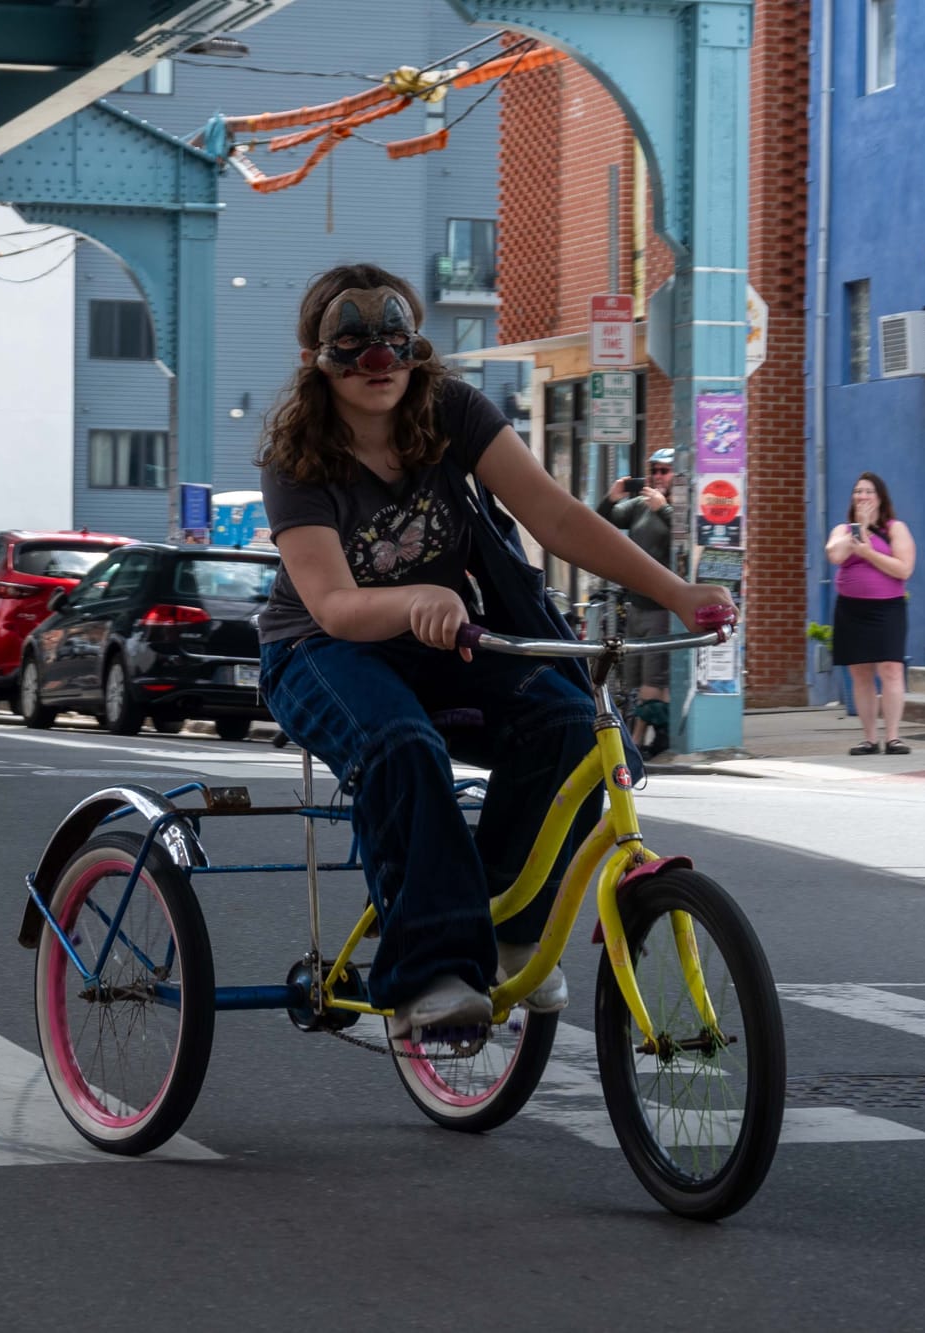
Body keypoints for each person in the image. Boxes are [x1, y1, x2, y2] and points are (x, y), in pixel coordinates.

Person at [257, 264, 734, 1037]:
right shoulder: (298, 458)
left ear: (416, 346)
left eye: (394, 337)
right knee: (401, 743)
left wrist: (675, 590)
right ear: (319, 355)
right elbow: (337, 606)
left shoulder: (451, 411)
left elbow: (557, 517)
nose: (378, 360)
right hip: (319, 650)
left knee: (571, 726)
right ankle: (428, 973)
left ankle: (511, 929)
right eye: (354, 340)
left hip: (444, 634)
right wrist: (414, 598)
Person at [824, 471, 915, 754]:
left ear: (880, 497)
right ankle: (869, 738)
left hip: (887, 607)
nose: (862, 496)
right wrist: (859, 529)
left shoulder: (895, 528)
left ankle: (893, 737)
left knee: (891, 669)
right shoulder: (843, 530)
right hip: (852, 609)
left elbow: (903, 569)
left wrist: (868, 553)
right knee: (860, 673)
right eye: (857, 491)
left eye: (868, 491)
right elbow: (834, 554)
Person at [597, 448, 677, 757]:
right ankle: (661, 734)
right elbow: (603, 521)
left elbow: (685, 541)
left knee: (652, 677)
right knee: (637, 676)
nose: (658, 476)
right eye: (654, 470)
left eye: (664, 471)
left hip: (661, 606)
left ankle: (637, 740)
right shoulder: (641, 505)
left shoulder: (676, 507)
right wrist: (612, 497)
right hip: (636, 603)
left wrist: (666, 509)